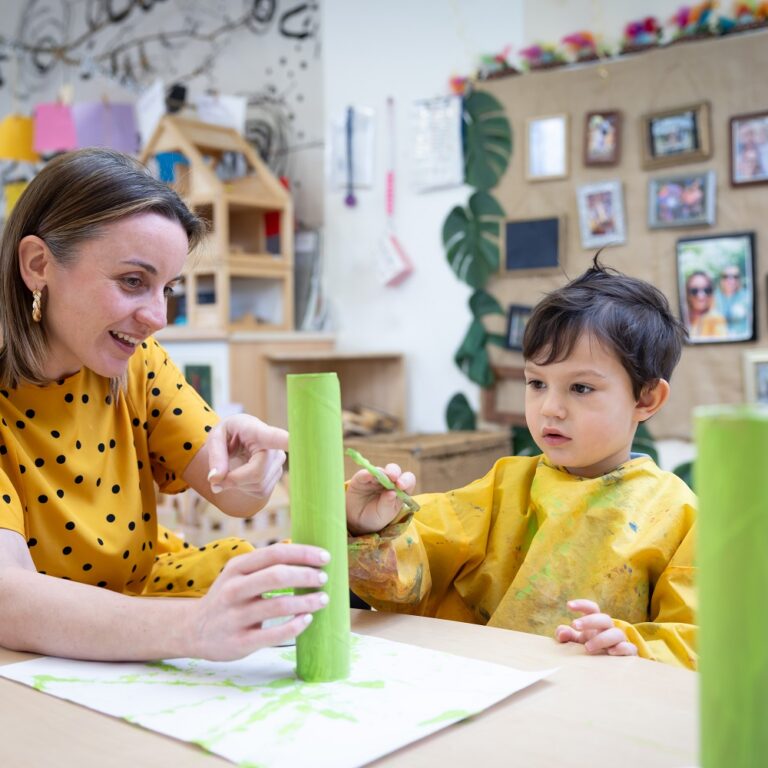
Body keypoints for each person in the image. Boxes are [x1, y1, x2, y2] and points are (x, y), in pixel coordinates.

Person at [0, 149, 330, 662]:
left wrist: (252, 466)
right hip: (44, 644)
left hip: (144, 598)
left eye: (167, 288)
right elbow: (10, 600)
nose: (158, 316)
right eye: (133, 281)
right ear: (39, 265)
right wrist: (194, 628)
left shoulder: (138, 363)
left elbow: (234, 494)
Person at [345, 259, 697, 669]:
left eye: (580, 388)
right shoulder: (502, 488)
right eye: (536, 383)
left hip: (596, 711)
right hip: (486, 690)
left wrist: (634, 645)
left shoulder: (679, 515)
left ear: (646, 399)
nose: (550, 408)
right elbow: (410, 574)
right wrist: (371, 527)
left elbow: (698, 640)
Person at [684, 270, 726, 340]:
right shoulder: (682, 318)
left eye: (707, 290)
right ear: (687, 293)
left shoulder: (716, 319)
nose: (701, 296)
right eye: (694, 291)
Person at [713, 264, 750, 338]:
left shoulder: (748, 296)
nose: (731, 280)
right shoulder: (712, 297)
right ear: (721, 279)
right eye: (726, 276)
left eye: (735, 277)